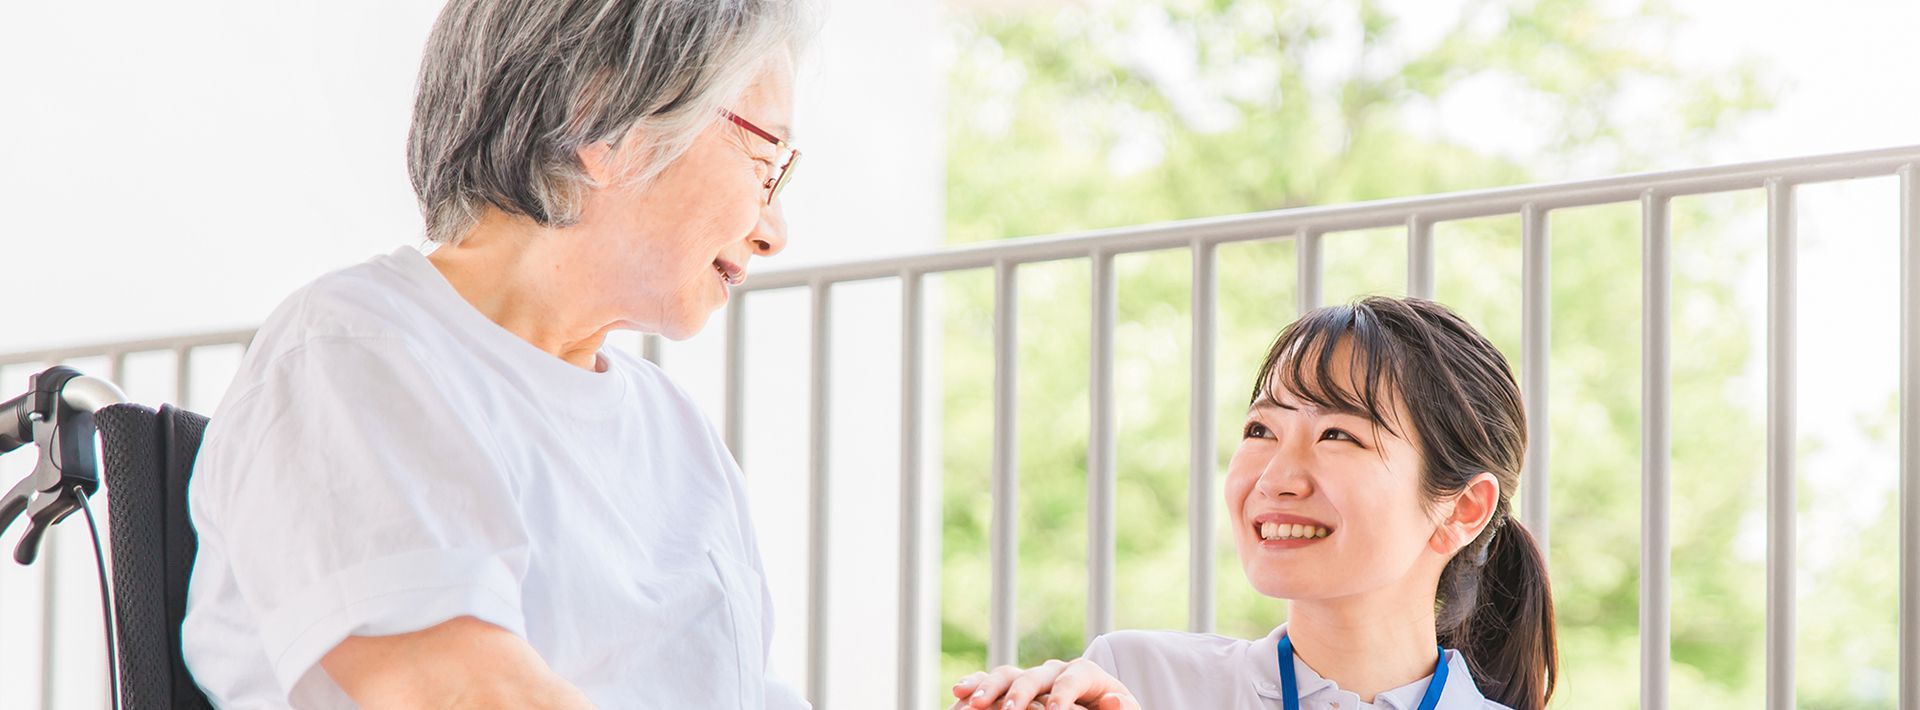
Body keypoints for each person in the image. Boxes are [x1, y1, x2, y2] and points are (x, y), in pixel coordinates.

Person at [180, 1, 815, 707]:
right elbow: (462, 691)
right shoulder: (351, 352)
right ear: (604, 123)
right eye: (765, 164)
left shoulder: (677, 432)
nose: (774, 232)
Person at [953, 297, 1558, 710]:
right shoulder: (1136, 680)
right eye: (1261, 430)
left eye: (1337, 435)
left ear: (1463, 509)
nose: (1275, 477)